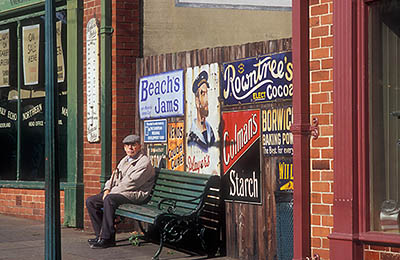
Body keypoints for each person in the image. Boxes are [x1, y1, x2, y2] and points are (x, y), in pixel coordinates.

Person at [86, 134, 155, 249]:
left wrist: (110, 193)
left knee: (109, 199)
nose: (130, 148)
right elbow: (113, 177)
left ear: (139, 146)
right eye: (127, 145)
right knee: (91, 201)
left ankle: (107, 238)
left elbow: (131, 183)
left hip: (137, 193)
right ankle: (100, 235)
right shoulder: (125, 160)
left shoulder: (144, 162)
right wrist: (107, 189)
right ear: (124, 147)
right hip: (120, 191)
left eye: (133, 145)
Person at [187, 70, 216, 152]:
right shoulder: (192, 138)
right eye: (203, 94)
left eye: (207, 93)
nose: (206, 99)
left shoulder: (210, 131)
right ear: (197, 101)